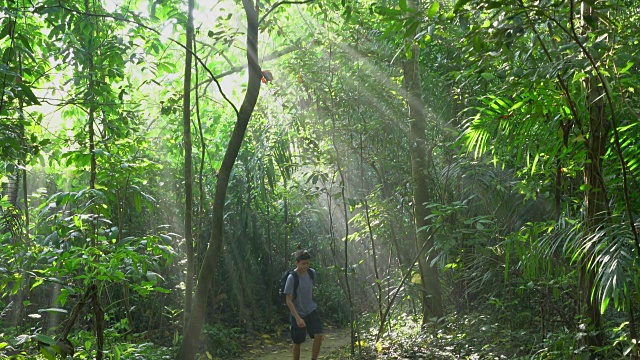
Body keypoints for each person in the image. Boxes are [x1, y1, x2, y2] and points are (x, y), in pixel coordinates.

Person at [284, 249, 323, 360]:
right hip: (297, 312)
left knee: (318, 335)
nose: (306, 266)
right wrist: (297, 318)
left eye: (307, 263)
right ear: (297, 263)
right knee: (297, 342)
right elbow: (288, 300)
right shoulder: (292, 278)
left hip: (310, 310)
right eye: (303, 263)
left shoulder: (311, 273)